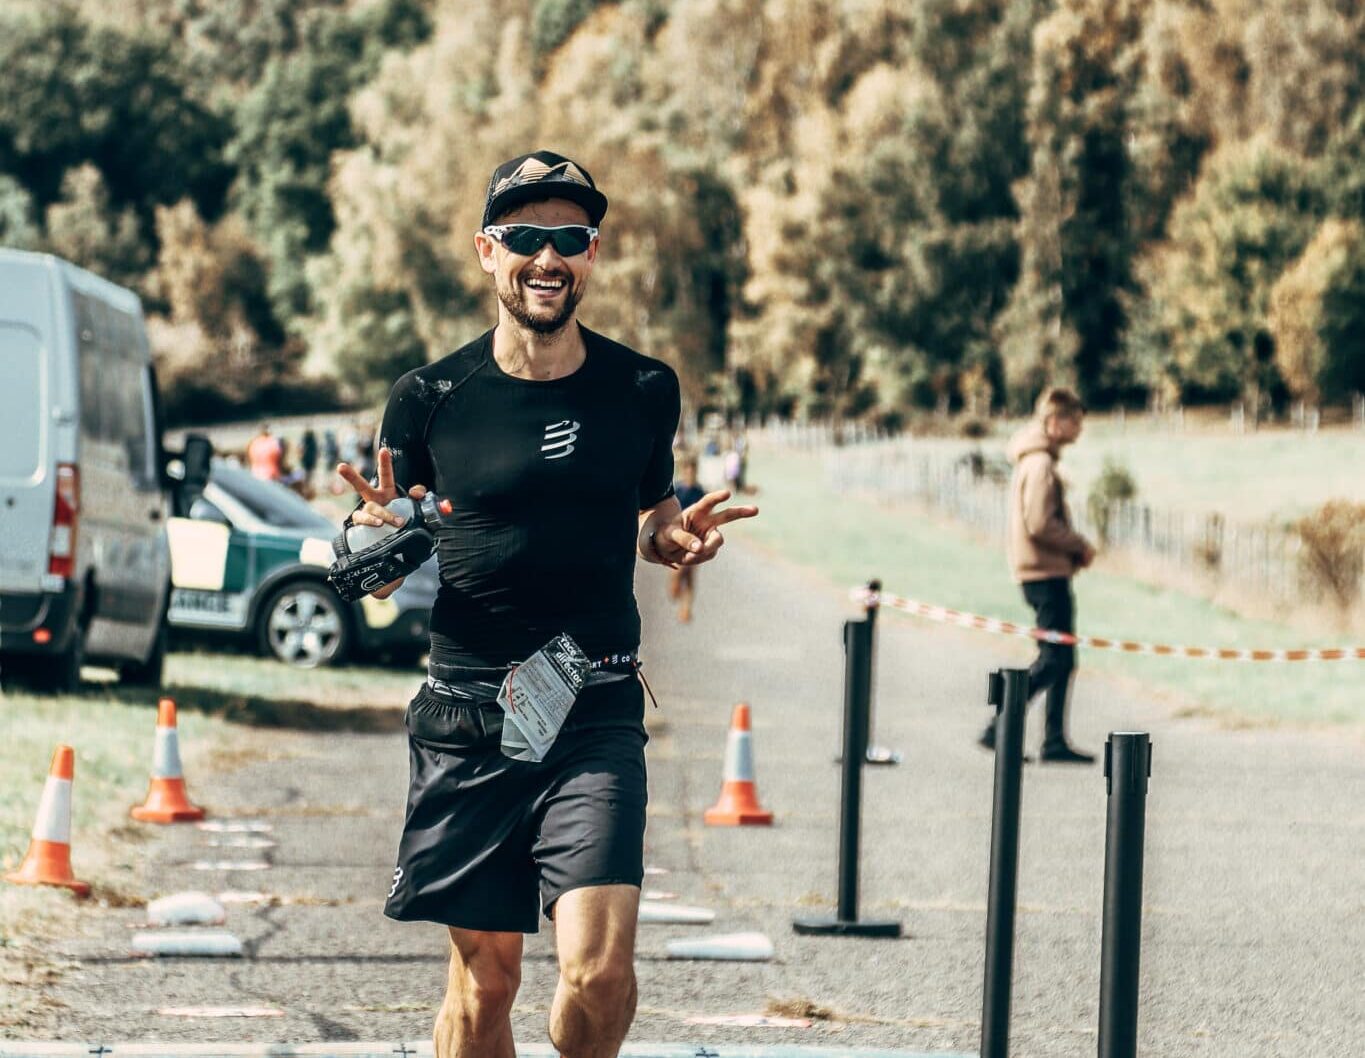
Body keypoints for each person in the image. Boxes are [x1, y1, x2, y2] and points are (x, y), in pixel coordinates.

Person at [335, 149, 757, 1058]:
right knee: (487, 986)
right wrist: (368, 544)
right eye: (526, 236)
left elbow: (653, 513)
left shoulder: (643, 390)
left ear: (592, 254)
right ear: (487, 252)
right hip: (468, 715)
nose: (548, 257)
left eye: (569, 238)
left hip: (592, 706)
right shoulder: (426, 399)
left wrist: (669, 538)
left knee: (597, 977)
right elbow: (376, 542)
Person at [979, 387, 1096, 764]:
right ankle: (1000, 727)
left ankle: (1054, 739)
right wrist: (1079, 545)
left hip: (1043, 571)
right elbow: (1040, 523)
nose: (1079, 428)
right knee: (1054, 659)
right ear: (1054, 422)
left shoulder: (1036, 461)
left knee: (1063, 658)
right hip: (1044, 573)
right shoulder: (1041, 465)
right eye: (1074, 420)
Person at [667, 457, 706, 623]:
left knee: (690, 573)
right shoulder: (677, 489)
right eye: (687, 469)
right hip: (678, 535)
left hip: (695, 536)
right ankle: (675, 586)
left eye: (693, 470)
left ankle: (686, 608)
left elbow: (706, 513)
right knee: (679, 569)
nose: (690, 473)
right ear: (683, 471)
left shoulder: (700, 492)